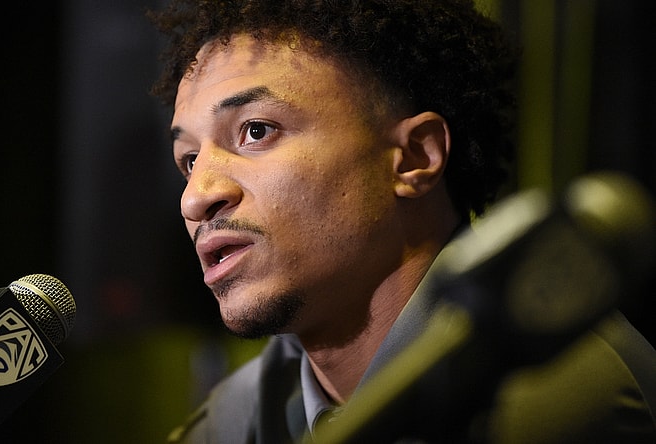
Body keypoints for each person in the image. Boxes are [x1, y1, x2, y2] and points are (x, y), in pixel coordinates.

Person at [148, 0, 656, 442]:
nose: (196, 198)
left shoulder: (557, 401)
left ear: (414, 158)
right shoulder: (235, 417)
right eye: (189, 160)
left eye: (256, 131)